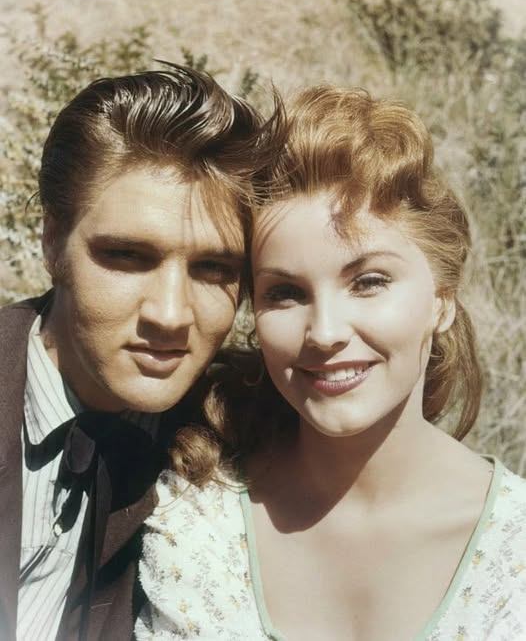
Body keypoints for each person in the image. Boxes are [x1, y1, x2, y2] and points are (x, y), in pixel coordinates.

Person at [136, 86, 526, 640]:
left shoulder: (513, 554)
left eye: (368, 282)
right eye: (286, 293)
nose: (324, 333)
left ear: (442, 301)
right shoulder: (195, 521)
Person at [0, 63, 280, 641]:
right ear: (52, 241)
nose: (171, 314)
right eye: (127, 256)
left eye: (213, 268)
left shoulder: (236, 437)